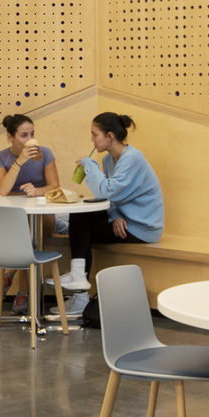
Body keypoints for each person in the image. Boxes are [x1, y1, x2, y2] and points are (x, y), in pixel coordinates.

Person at [66, 112, 164, 294]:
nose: (92, 140)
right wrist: (115, 215)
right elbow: (112, 198)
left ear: (110, 136)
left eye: (95, 134)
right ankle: (78, 280)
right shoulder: (109, 159)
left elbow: (107, 191)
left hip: (143, 228)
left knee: (80, 223)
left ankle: (78, 281)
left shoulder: (132, 158)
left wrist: (89, 165)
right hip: (126, 222)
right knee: (81, 220)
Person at [0, 113, 59, 198]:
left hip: (39, 204)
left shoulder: (45, 153)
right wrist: (19, 161)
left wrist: (36, 191)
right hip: (12, 206)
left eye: (32, 134)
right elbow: (2, 191)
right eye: (24, 135)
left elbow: (55, 186)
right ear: (10, 137)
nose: (30, 139)